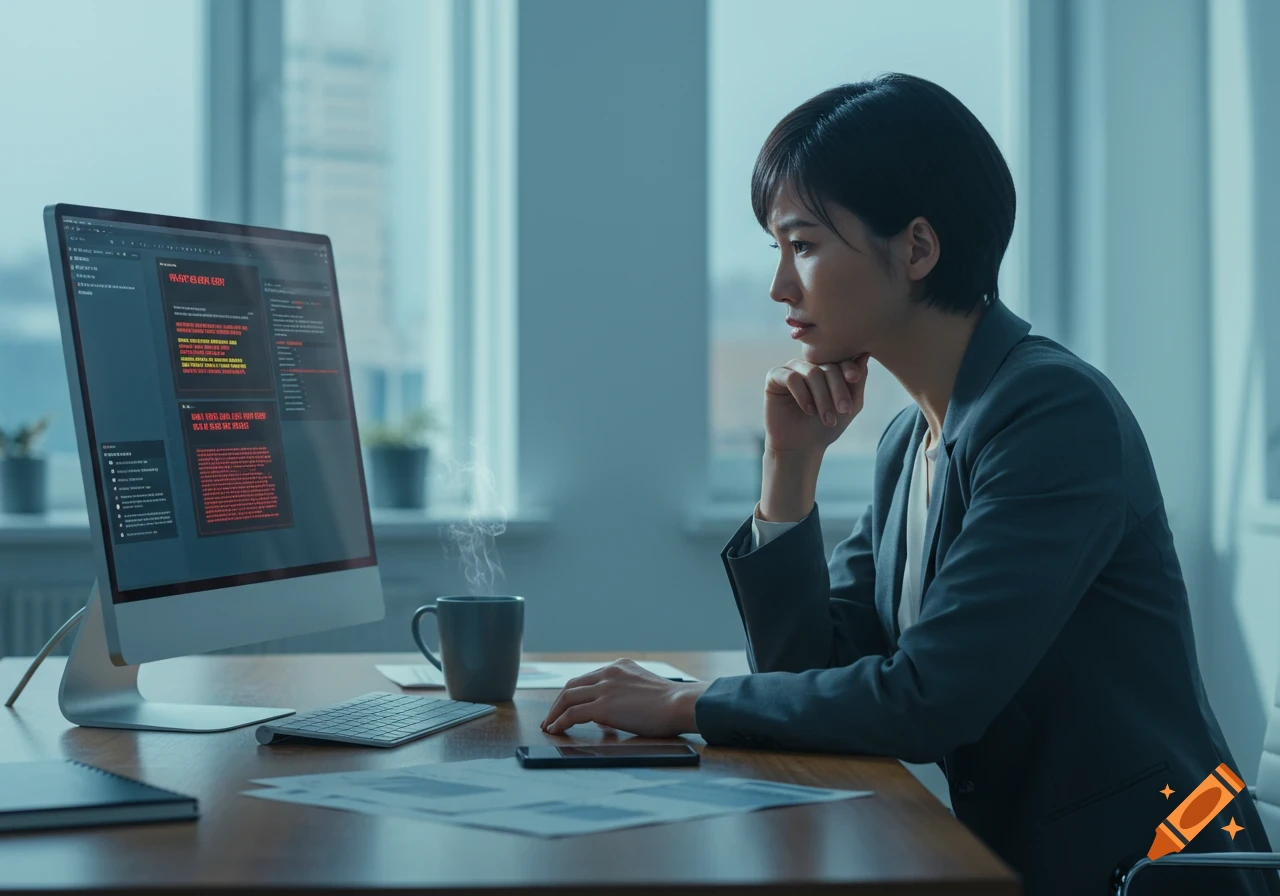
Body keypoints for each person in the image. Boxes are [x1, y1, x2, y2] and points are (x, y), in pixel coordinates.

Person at [539, 74, 1278, 895]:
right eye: (777, 250)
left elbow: (930, 699)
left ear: (918, 249)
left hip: (1151, 870)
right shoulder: (912, 439)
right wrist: (790, 472)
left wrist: (687, 706)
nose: (781, 287)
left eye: (806, 245)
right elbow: (809, 669)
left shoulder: (1051, 416)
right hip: (1027, 860)